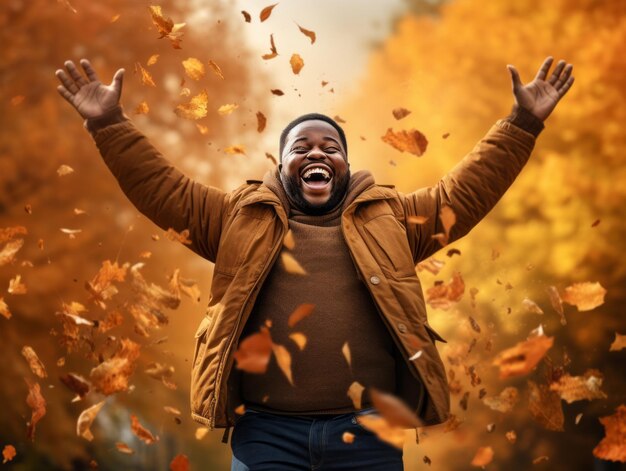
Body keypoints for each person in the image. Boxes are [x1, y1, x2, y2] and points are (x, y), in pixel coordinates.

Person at [56, 56, 574, 470]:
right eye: (300, 146)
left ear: (346, 166)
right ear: (282, 168)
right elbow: (162, 189)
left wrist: (524, 122)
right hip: (266, 437)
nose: (316, 152)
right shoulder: (237, 218)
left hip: (369, 435)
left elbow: (467, 189)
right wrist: (108, 122)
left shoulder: (392, 217)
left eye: (330, 146)